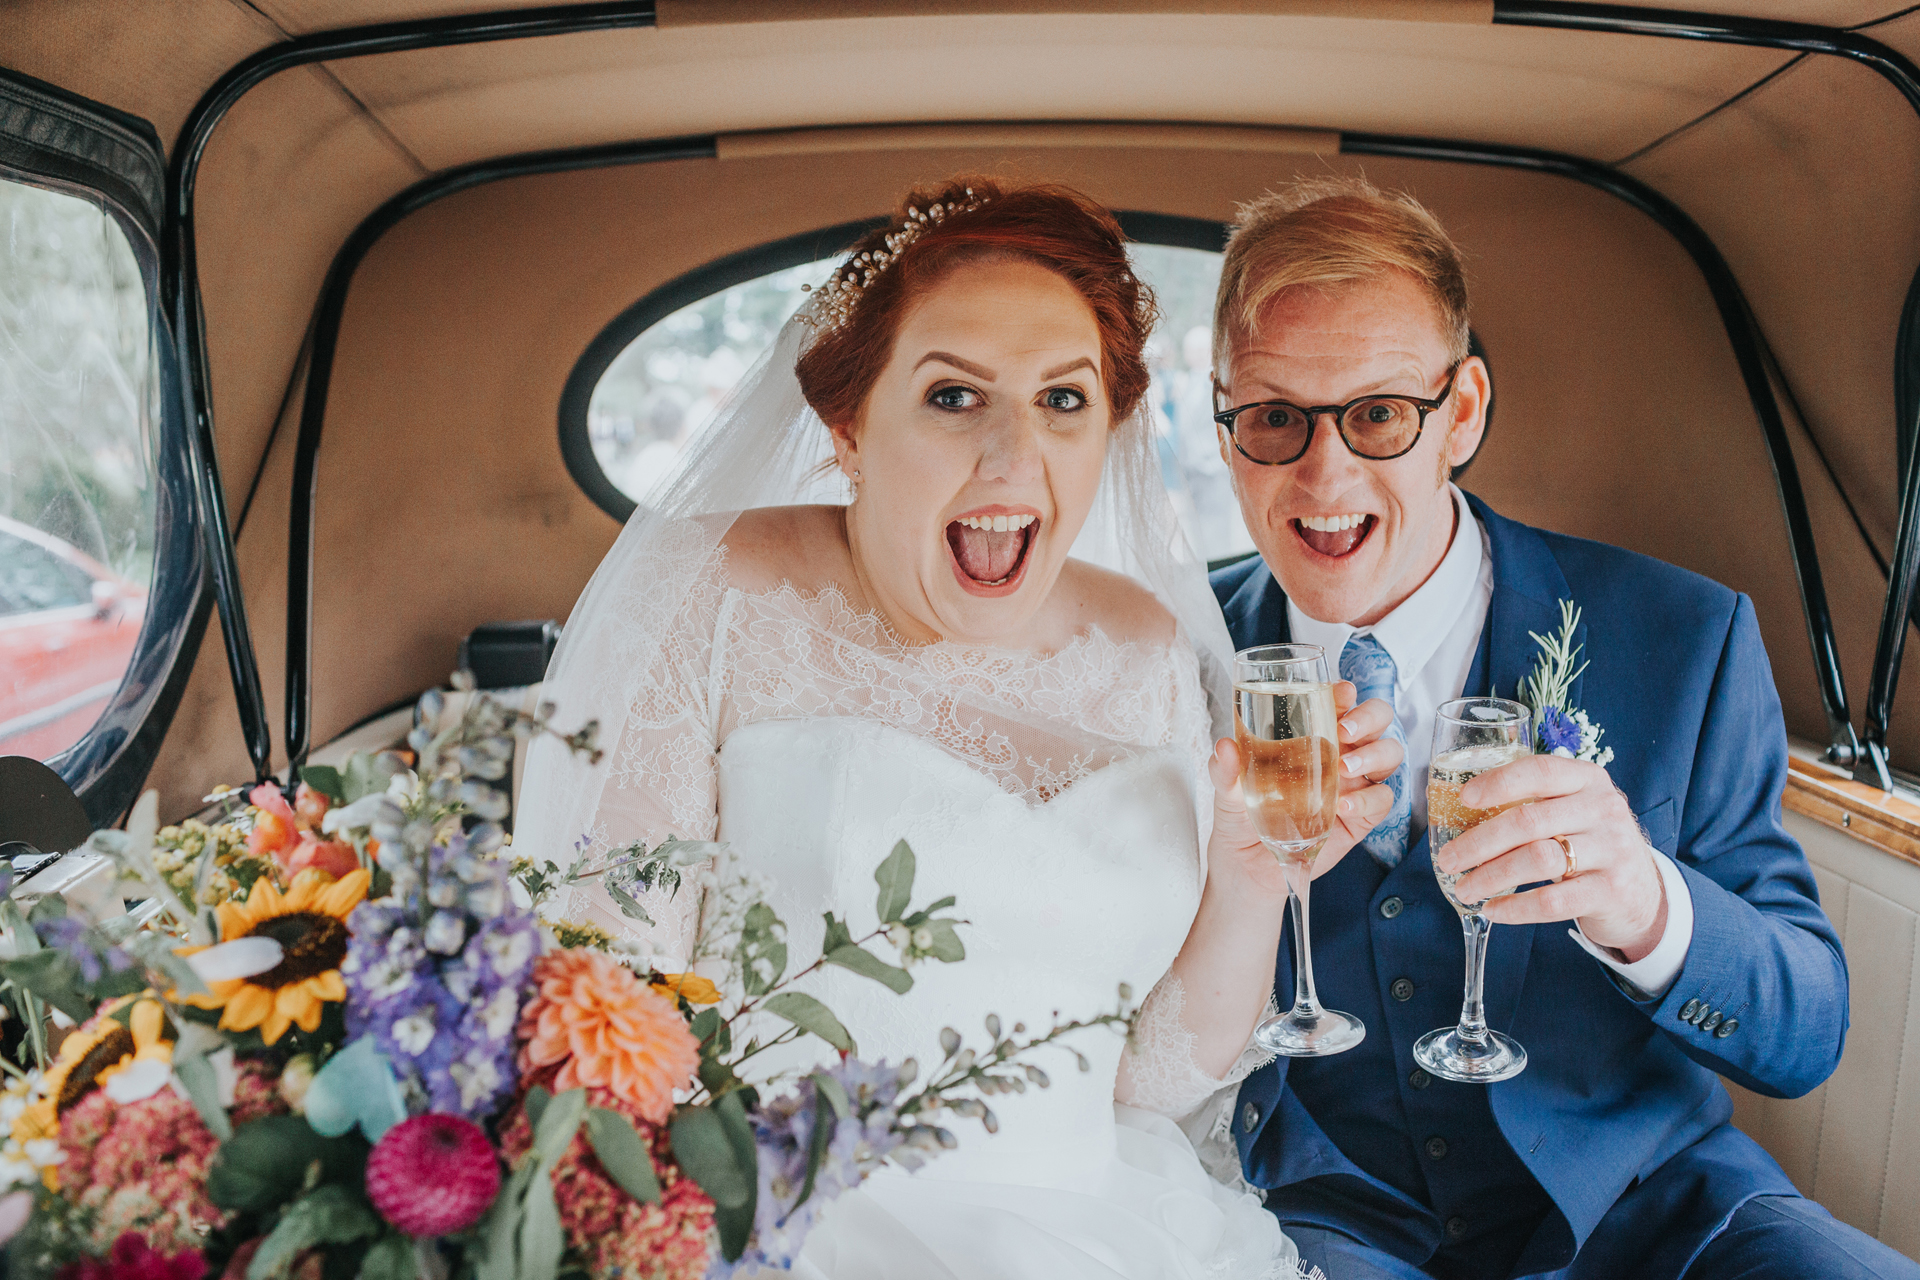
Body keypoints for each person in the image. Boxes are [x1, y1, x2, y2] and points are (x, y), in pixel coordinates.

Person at [514, 177, 1403, 1279]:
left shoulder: (1152, 648)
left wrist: (1251, 870)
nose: (1011, 457)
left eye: (1063, 401)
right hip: (778, 1230)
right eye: (952, 397)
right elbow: (607, 1006)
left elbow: (1151, 1081)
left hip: (1106, 1228)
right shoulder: (714, 590)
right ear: (848, 424)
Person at [1209, 176, 1919, 1279]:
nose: (1324, 470)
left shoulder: (1685, 637)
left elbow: (1803, 1031)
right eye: (1272, 415)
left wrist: (1642, 899)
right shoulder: (1169, 658)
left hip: (1667, 1217)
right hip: (1325, 1228)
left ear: (1464, 411)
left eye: (1381, 412)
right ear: (1224, 423)